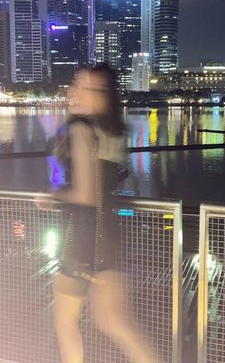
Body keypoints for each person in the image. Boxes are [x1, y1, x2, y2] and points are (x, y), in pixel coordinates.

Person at [37, 65, 154, 363]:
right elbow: (103, 185)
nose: (74, 90)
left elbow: (85, 195)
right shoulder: (105, 132)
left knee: (67, 323)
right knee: (114, 324)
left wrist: (54, 196)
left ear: (103, 97)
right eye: (76, 83)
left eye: (87, 87)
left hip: (83, 243)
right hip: (107, 241)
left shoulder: (79, 129)